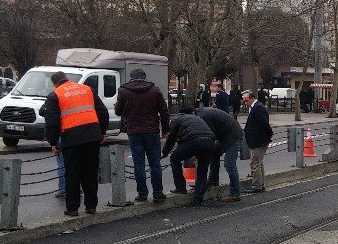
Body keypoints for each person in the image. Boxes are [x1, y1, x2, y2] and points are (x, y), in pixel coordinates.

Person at [43, 71, 109, 216]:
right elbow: (103, 112)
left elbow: (52, 122)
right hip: (92, 136)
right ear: (67, 79)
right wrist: (102, 132)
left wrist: (53, 142)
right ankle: (91, 206)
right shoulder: (87, 89)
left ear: (55, 84)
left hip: (71, 138)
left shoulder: (55, 95)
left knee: (72, 173)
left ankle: (72, 209)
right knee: (90, 172)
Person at [116, 68, 170, 203]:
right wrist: (165, 130)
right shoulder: (155, 90)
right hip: (152, 131)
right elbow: (164, 112)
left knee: (138, 164)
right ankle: (158, 193)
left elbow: (118, 111)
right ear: (144, 77)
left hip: (134, 132)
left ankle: (142, 194)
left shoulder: (123, 91)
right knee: (155, 164)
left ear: (131, 77)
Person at [163, 106, 216, 206]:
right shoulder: (197, 118)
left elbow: (171, 137)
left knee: (174, 158)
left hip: (194, 141)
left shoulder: (177, 119)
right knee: (202, 170)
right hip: (209, 141)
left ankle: (180, 187)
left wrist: (165, 151)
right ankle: (198, 199)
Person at [195, 106, 245, 202]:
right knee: (214, 152)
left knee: (229, 164)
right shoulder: (201, 113)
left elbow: (210, 136)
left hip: (233, 136)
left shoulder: (203, 117)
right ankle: (213, 180)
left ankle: (235, 193)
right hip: (225, 136)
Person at [242, 89, 273, 193]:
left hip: (259, 140)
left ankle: (256, 185)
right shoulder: (255, 107)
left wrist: (269, 134)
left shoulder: (258, 108)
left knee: (255, 163)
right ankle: (261, 184)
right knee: (259, 163)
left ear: (252, 98)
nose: (245, 103)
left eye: (246, 100)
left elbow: (264, 123)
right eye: (244, 101)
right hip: (258, 139)